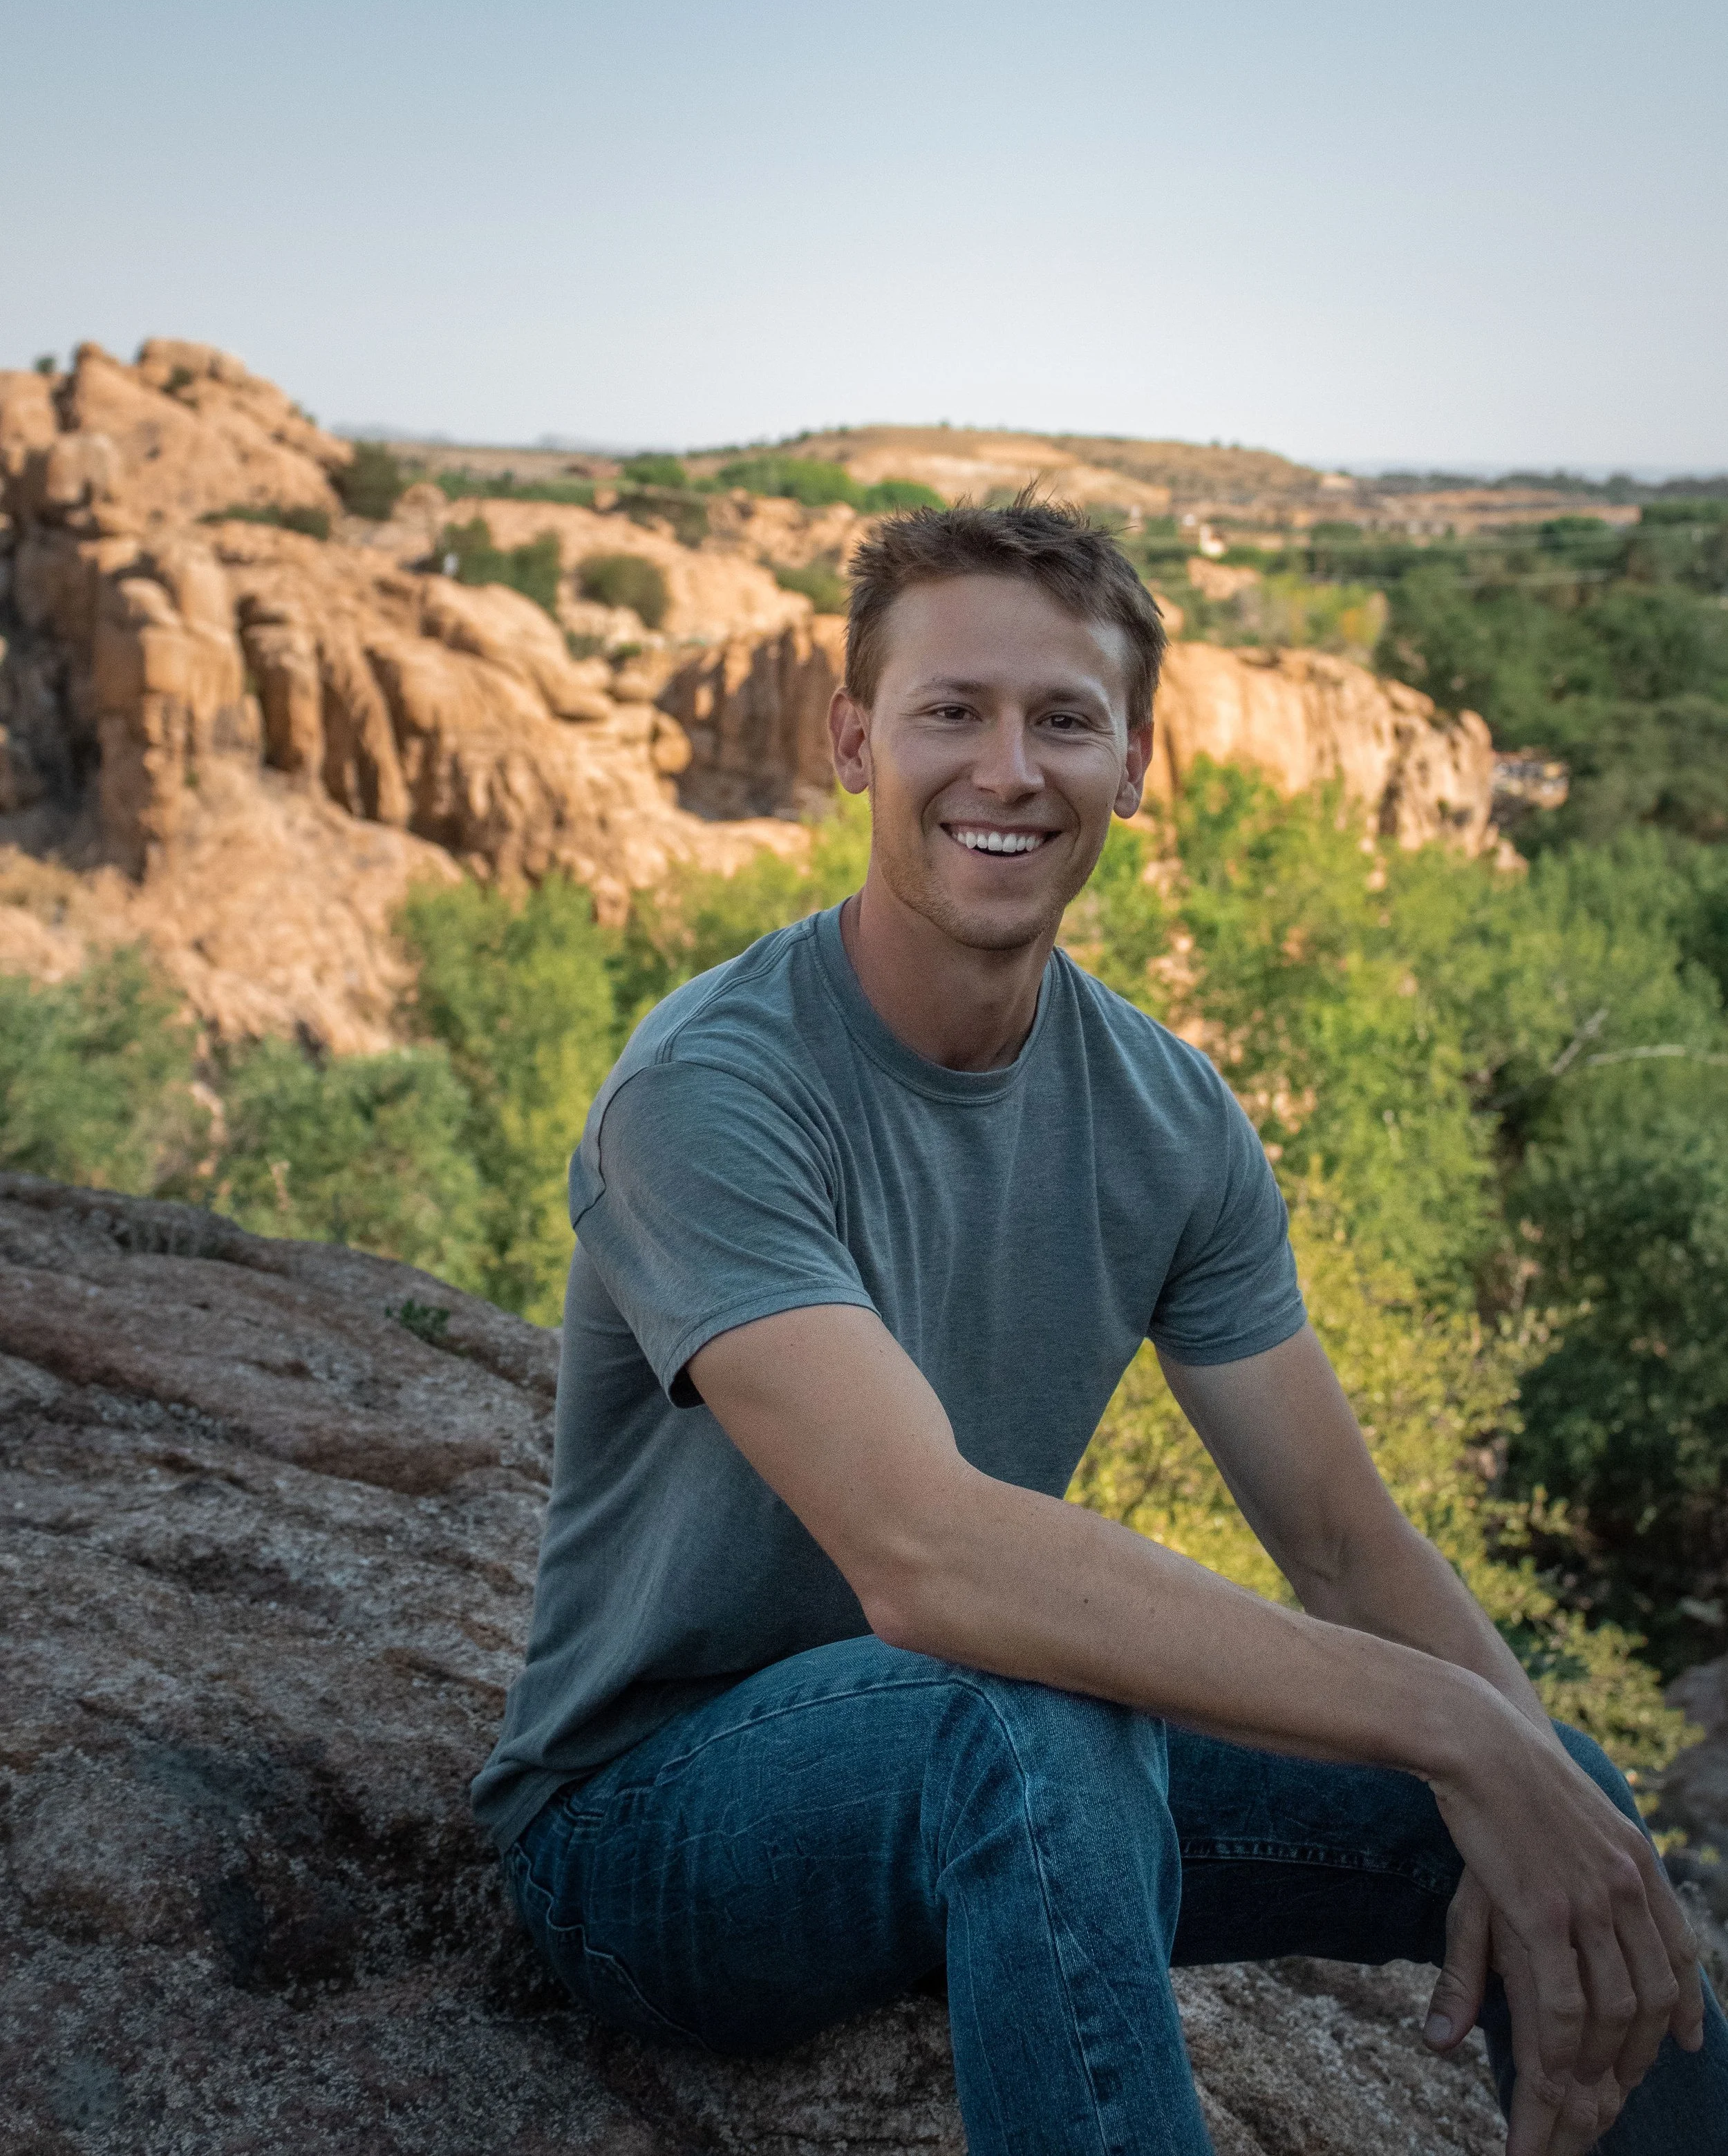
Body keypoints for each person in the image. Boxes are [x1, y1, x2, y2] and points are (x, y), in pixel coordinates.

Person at [473, 500, 1727, 2155]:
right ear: (855, 741)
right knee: (1040, 1708)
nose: (1007, 769)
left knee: (1563, 1800)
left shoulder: (1163, 1111)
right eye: (950, 712)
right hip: (655, 1830)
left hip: (997, 1778)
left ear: (1133, 762)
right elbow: (925, 1556)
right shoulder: (712, 1089)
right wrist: (1444, 1725)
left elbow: (1344, 1541)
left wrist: (1527, 1774)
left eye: (1062, 718)